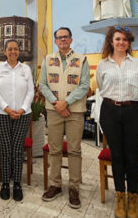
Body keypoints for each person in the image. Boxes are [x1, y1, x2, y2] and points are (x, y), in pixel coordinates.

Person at [96, 27, 138, 218]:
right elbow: (102, 86)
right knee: (116, 155)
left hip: (133, 111)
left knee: (132, 156)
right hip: (110, 111)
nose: (121, 42)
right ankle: (120, 196)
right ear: (111, 41)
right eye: (118, 39)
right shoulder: (102, 65)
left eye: (125, 40)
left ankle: (132, 198)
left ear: (129, 43)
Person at [38, 27, 90, 209]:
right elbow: (42, 84)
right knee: (55, 149)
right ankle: (55, 184)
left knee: (74, 150)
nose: (62, 40)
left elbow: (84, 86)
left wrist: (66, 102)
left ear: (71, 39)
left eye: (65, 37)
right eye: (59, 38)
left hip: (75, 111)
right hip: (53, 111)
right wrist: (56, 103)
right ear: (55, 41)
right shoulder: (48, 59)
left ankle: (74, 187)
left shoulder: (81, 59)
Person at [0, 39, 34, 202]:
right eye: (10, 49)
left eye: (15, 49)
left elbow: (31, 91)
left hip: (23, 115)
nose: (13, 51)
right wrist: (7, 108)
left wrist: (22, 109)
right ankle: (4, 184)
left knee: (17, 149)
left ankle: (17, 184)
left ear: (19, 51)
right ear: (5, 51)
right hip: (1, 114)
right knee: (5, 149)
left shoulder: (26, 69)